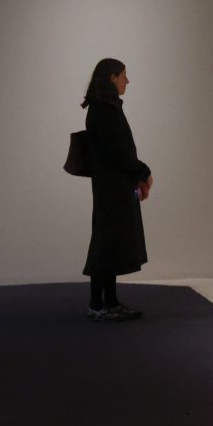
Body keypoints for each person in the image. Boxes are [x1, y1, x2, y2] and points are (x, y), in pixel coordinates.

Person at [81, 58, 153, 322]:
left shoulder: (105, 108)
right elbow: (118, 152)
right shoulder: (104, 110)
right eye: (124, 75)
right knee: (105, 244)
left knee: (109, 243)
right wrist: (143, 171)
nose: (127, 81)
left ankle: (109, 302)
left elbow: (119, 151)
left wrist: (137, 174)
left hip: (113, 186)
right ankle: (97, 304)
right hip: (112, 188)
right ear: (112, 77)